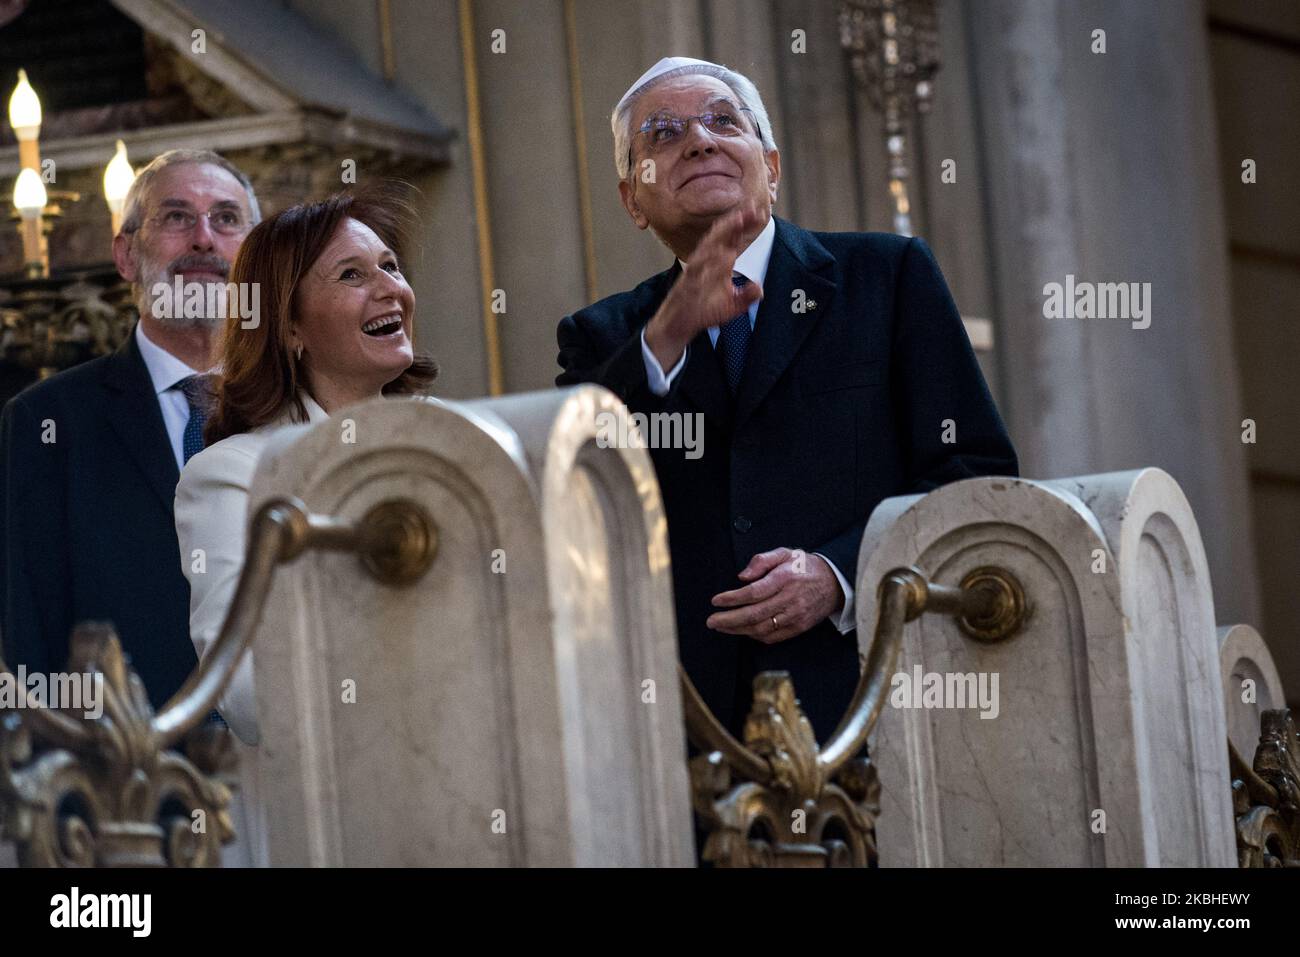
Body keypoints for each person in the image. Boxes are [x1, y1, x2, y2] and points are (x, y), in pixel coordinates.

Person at [556, 57, 1019, 743]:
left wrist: (840, 573)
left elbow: (972, 472)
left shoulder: (887, 278)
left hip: (879, 700)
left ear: (770, 164)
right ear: (632, 199)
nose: (700, 140)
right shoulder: (603, 337)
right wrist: (672, 331)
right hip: (694, 730)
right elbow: (573, 484)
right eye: (663, 133)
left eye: (723, 120)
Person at [175, 186, 437, 747]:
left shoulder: (449, 437)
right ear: (290, 327)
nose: (391, 289)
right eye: (351, 275)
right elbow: (247, 692)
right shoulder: (234, 474)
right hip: (349, 791)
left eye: (390, 267)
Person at [0, 149, 258, 710]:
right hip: (127, 776)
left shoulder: (298, 407)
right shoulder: (46, 422)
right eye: (176, 217)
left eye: (227, 219)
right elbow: (26, 631)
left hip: (293, 762)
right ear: (125, 255)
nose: (204, 240)